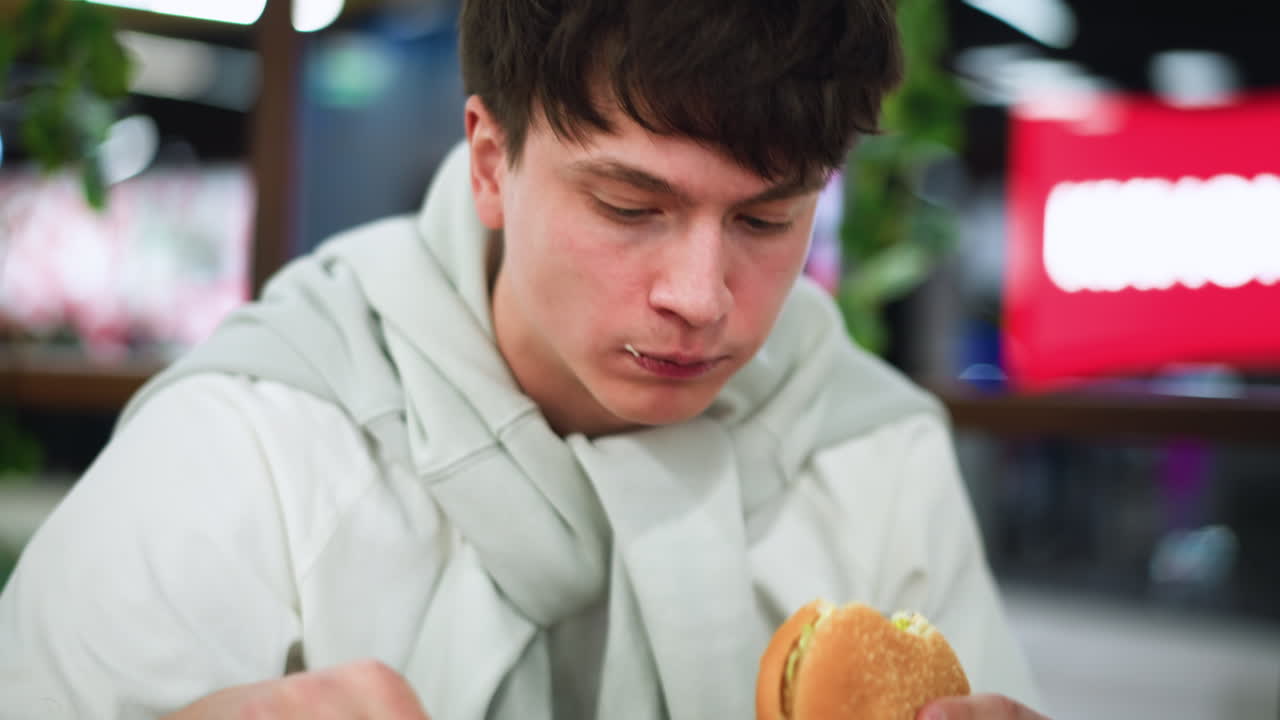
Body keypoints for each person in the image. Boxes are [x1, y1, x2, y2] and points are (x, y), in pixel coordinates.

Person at [0, 0, 1051, 718]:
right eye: (629, 206)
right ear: (491, 161)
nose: (698, 295)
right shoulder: (255, 438)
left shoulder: (875, 455)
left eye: (766, 219)